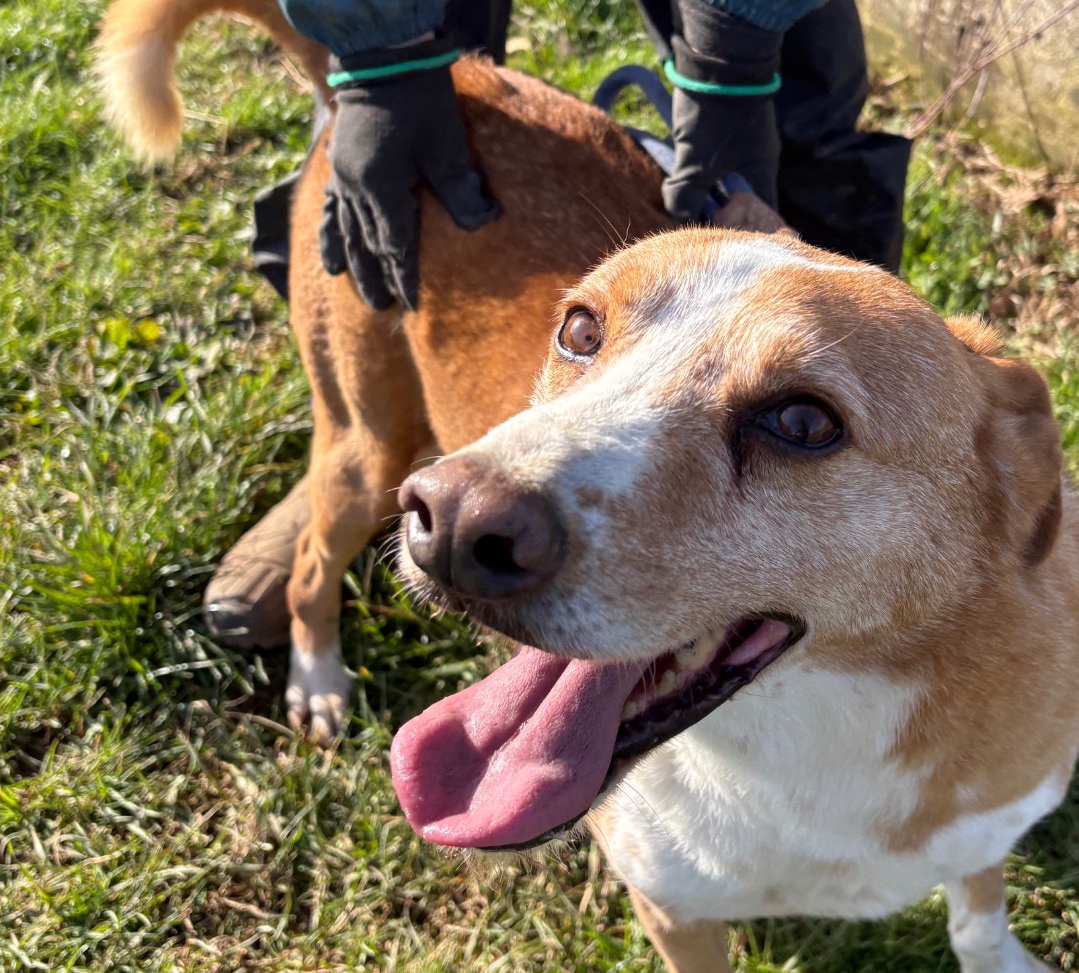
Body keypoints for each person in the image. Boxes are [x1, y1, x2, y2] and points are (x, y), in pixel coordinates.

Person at [205, 0, 909, 647]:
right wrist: (377, 57)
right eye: (581, 336)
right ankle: (319, 585)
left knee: (807, 120)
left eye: (800, 424)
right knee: (364, 456)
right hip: (437, 164)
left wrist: (737, 59)